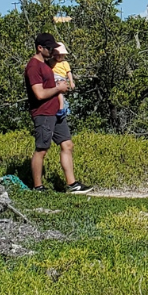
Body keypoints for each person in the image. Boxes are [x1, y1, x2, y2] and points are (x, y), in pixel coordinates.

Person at [24, 32, 90, 194]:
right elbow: (39, 94)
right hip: (43, 112)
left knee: (67, 144)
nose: (53, 51)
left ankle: (72, 184)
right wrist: (58, 88)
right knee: (42, 149)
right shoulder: (33, 67)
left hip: (57, 111)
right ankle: (38, 187)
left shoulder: (47, 64)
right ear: (40, 48)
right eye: (49, 48)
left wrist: (61, 86)